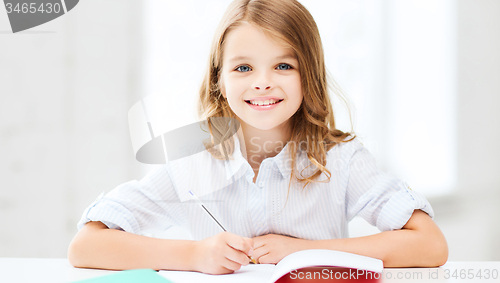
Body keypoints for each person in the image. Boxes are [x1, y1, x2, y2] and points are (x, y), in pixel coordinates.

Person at [68, 0, 448, 275]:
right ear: (220, 79)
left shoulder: (341, 158)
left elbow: (430, 245)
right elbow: (86, 246)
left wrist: (306, 253)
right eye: (243, 67)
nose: (263, 81)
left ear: (308, 75)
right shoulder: (190, 163)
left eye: (283, 65)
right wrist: (194, 256)